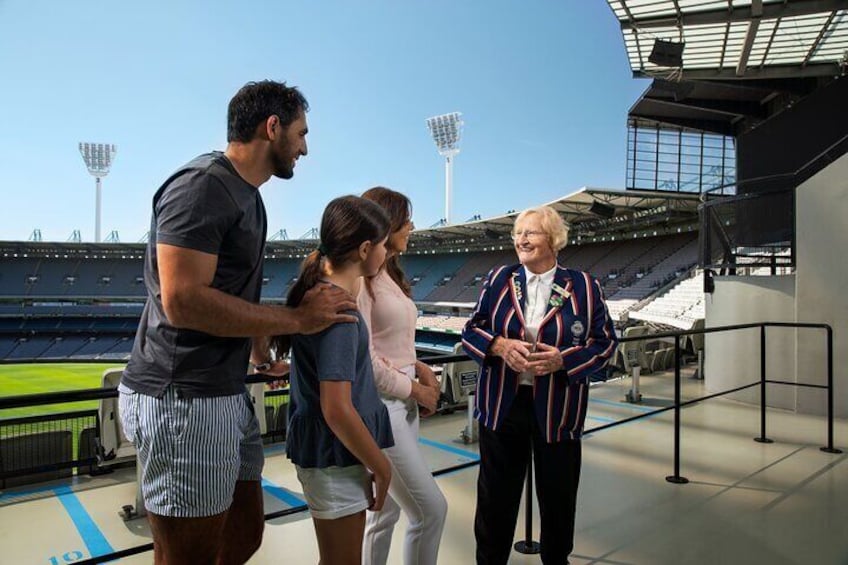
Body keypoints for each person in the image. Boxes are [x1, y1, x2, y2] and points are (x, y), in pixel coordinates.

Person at [118, 80, 357, 565]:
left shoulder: (249, 196)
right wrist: (296, 318)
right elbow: (182, 301)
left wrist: (258, 349)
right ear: (273, 128)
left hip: (223, 391)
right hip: (183, 398)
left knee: (244, 532)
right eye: (301, 133)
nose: (305, 148)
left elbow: (227, 289)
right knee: (188, 555)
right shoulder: (204, 185)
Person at [461, 205, 618, 565]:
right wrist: (499, 346)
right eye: (518, 233)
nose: (521, 239)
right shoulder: (499, 278)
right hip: (502, 406)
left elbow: (606, 343)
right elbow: (471, 330)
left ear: (554, 239)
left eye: (530, 232)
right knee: (494, 501)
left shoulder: (584, 285)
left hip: (558, 410)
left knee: (558, 500)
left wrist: (564, 360)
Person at [272, 195, 395, 565]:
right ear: (364, 249)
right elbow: (337, 408)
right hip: (335, 457)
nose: (387, 252)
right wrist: (382, 466)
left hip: (335, 455)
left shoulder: (321, 296)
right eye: (384, 244)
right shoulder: (339, 311)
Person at [358, 187, 447, 565]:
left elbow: (395, 343)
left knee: (384, 513)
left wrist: (422, 371)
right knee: (430, 511)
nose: (411, 225)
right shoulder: (362, 277)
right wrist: (418, 391)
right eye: (405, 218)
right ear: (386, 221)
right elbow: (364, 358)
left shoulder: (388, 274)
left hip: (402, 404)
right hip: (384, 409)